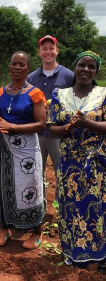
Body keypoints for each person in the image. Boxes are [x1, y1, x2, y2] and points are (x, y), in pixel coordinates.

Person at [48, 51, 106, 273]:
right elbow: (52, 128)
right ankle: (74, 254)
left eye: (92, 67)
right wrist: (68, 127)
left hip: (96, 163)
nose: (86, 70)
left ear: (96, 71)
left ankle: (100, 257)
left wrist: (85, 123)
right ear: (75, 67)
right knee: (71, 207)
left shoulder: (103, 94)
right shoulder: (59, 95)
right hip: (69, 163)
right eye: (82, 65)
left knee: (96, 208)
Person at [0, 51, 46, 249]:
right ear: (9, 67)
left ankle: (36, 232)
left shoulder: (35, 93)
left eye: (21, 64)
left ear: (27, 69)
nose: (17, 67)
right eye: (14, 63)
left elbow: (41, 124)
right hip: (5, 147)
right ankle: (5, 228)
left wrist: (14, 127)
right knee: (4, 186)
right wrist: (3, 127)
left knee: (30, 186)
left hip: (27, 149)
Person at [27, 35, 74, 182]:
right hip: (37, 134)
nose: (48, 52)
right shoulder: (31, 78)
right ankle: (39, 204)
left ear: (57, 51)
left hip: (59, 134)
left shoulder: (68, 76)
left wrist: (58, 109)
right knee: (35, 175)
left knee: (62, 173)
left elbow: (75, 102)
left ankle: (63, 204)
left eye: (51, 48)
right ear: (39, 52)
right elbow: (26, 104)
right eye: (44, 49)